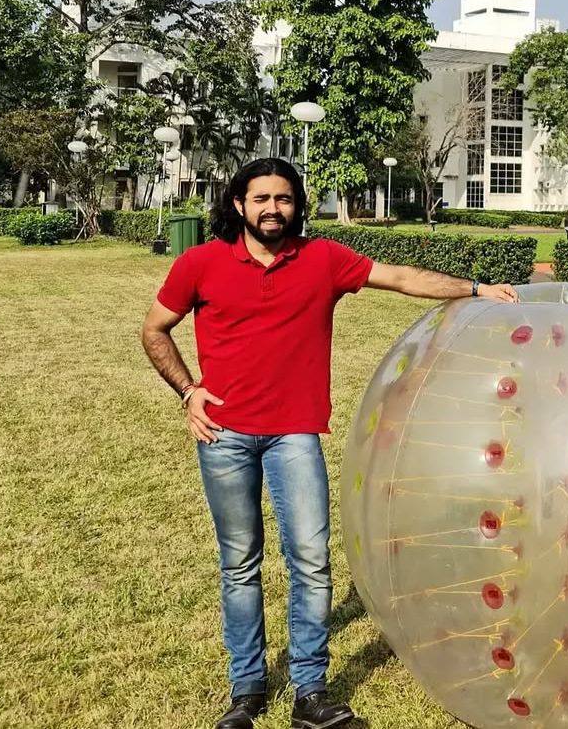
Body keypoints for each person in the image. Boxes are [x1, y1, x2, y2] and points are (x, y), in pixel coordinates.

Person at [141, 157, 518, 729]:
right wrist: (188, 390)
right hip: (225, 433)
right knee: (240, 563)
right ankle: (245, 694)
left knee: (312, 562)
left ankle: (310, 693)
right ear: (239, 205)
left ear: (297, 205)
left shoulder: (322, 259)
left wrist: (475, 289)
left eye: (284, 199)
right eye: (261, 199)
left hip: (296, 433)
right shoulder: (202, 263)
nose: (273, 209)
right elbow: (154, 328)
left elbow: (401, 277)